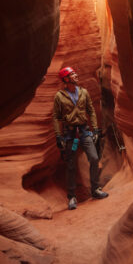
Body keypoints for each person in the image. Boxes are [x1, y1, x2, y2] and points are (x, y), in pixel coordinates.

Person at [53, 66, 109, 210]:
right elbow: (56, 117)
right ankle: (72, 197)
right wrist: (59, 136)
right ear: (66, 79)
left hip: (84, 132)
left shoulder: (84, 92)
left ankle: (95, 189)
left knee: (94, 158)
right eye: (72, 74)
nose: (76, 75)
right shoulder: (59, 96)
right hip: (70, 135)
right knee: (71, 165)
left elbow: (91, 110)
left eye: (74, 73)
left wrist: (95, 128)